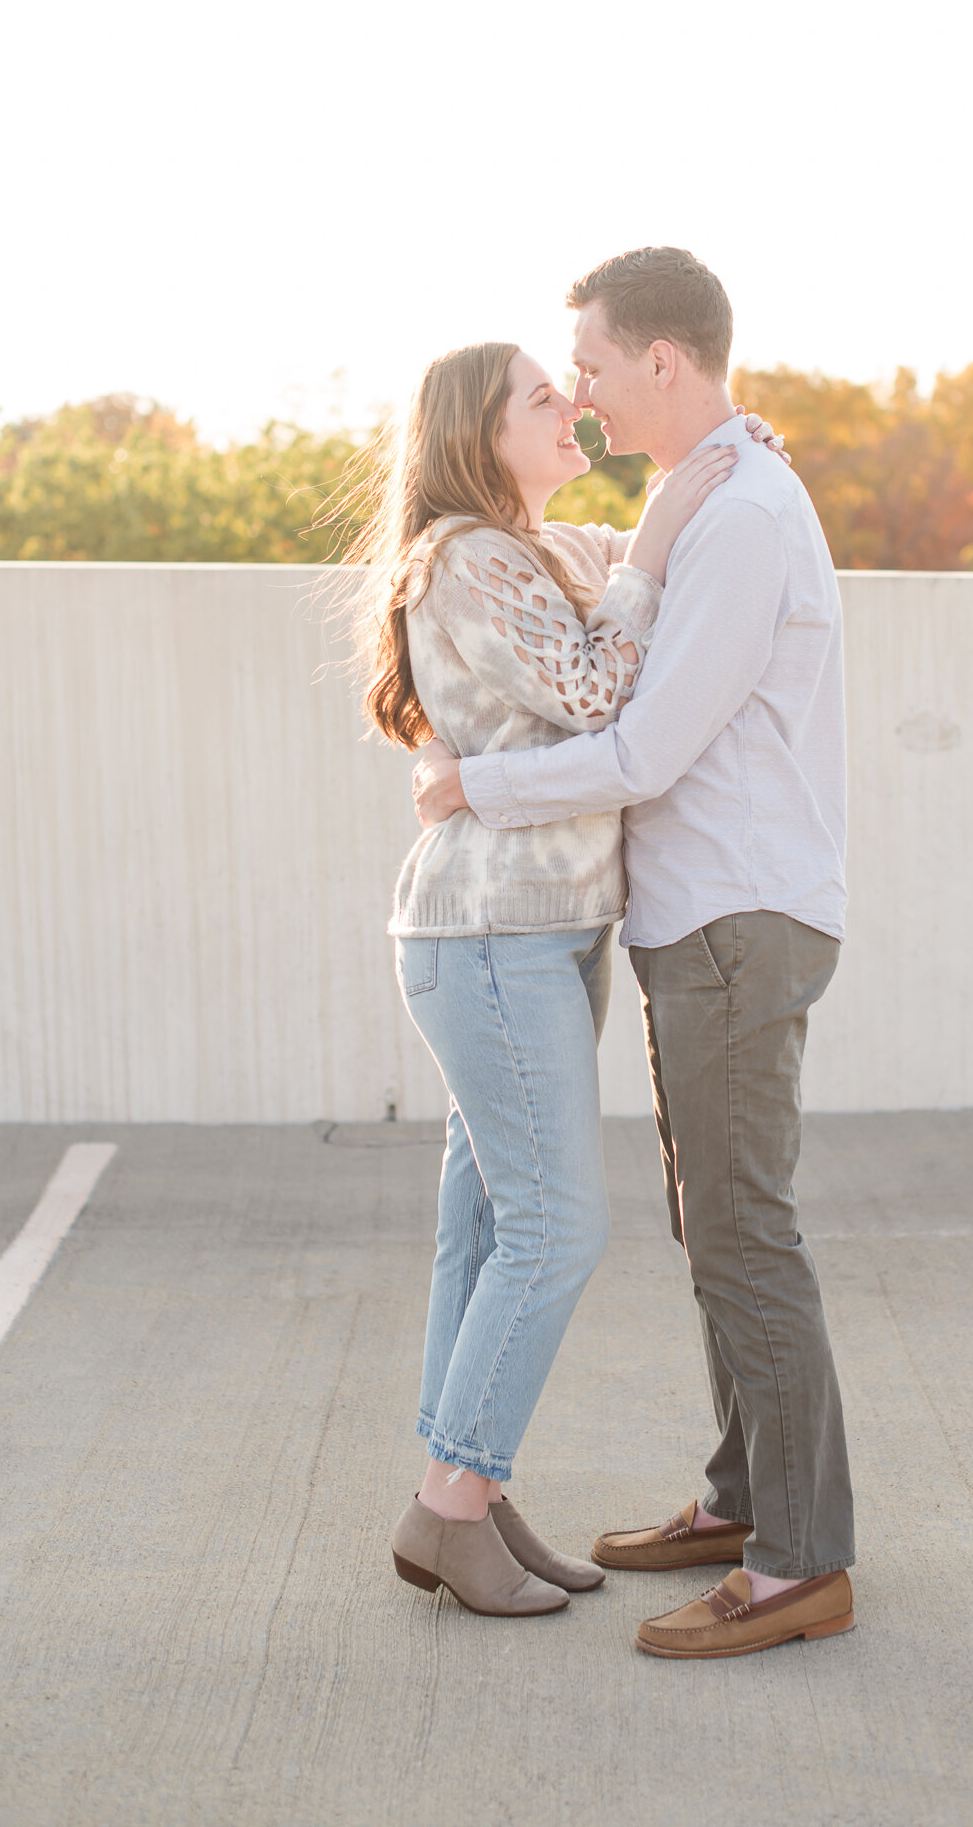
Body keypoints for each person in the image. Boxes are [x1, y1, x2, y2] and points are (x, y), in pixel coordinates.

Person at [413, 247, 855, 1659]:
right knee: (709, 1230)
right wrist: (664, 514)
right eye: (558, 386)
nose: (584, 397)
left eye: (590, 368)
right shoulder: (694, 499)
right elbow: (599, 605)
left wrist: (476, 785)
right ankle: (737, 1500)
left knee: (741, 1236)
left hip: (731, 917)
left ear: (658, 361)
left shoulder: (735, 517)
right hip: (686, 921)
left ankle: (796, 1565)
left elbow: (642, 740)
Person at [352, 336, 779, 1618]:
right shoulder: (469, 560)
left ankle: (466, 1486)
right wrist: (647, 549)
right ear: (479, 435)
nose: (572, 405)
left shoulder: (530, 548)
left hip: (527, 933)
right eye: (543, 395)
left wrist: (712, 466)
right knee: (555, 1226)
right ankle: (451, 1503)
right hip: (490, 937)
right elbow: (600, 686)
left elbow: (616, 567)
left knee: (485, 1225)